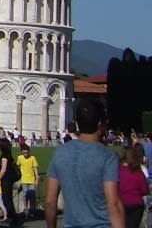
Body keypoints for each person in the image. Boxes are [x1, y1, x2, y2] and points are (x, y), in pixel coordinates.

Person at [45, 96, 124, 228]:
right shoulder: (108, 157)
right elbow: (113, 204)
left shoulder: (60, 153)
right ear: (100, 124)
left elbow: (49, 201)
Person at [118, 144, 149, 228]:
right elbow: (145, 190)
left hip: (120, 203)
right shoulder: (138, 172)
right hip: (136, 204)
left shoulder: (116, 171)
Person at [0, 138, 22, 227]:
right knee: (7, 199)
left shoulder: (4, 156)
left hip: (6, 179)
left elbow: (3, 169)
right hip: (9, 179)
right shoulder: (9, 155)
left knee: (6, 199)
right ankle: (13, 218)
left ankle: (13, 217)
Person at [16, 144, 41, 221]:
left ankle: (32, 211)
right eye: (24, 153)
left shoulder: (32, 158)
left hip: (31, 180)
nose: (25, 154)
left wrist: (37, 178)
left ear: (29, 152)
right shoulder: (19, 158)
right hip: (24, 180)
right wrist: (19, 176)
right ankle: (26, 210)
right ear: (21, 152)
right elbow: (18, 166)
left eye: (27, 153)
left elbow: (35, 168)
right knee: (25, 196)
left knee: (32, 196)